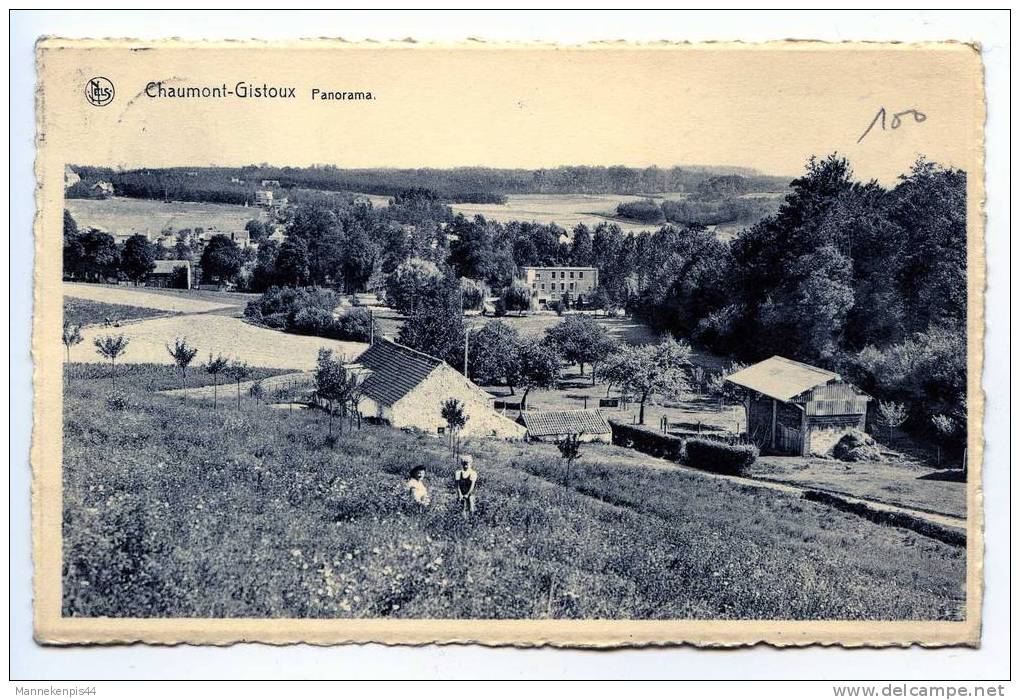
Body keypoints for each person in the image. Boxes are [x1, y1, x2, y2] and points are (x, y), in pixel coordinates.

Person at [454, 454, 478, 519]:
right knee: (461, 507)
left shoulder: (473, 473)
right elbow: (457, 485)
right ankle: (463, 521)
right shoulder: (458, 473)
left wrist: (467, 494)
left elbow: (472, 486)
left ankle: (472, 520)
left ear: (470, 464)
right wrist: (460, 494)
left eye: (467, 464)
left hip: (470, 493)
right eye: (464, 464)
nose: (465, 466)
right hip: (461, 492)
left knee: (471, 505)